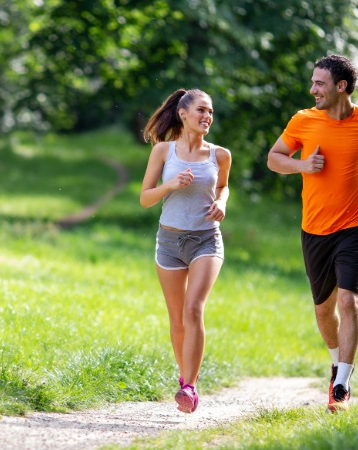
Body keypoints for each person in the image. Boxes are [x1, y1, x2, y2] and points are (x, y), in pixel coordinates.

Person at [267, 54, 358, 413]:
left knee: (348, 300)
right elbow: (274, 158)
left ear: (341, 87)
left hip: (356, 225)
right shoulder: (303, 121)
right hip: (314, 229)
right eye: (313, 82)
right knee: (324, 310)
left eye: (319, 83)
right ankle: (335, 363)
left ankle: (342, 381)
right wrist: (301, 165)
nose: (313, 90)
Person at [140, 88, 232, 414]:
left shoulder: (220, 155)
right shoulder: (164, 152)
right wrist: (170, 185)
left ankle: (191, 387)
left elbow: (222, 186)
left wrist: (221, 203)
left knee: (194, 309)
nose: (207, 117)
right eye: (202, 110)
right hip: (169, 242)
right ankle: (184, 379)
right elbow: (146, 198)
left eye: (211, 112)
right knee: (177, 319)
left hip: (206, 239)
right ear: (183, 113)